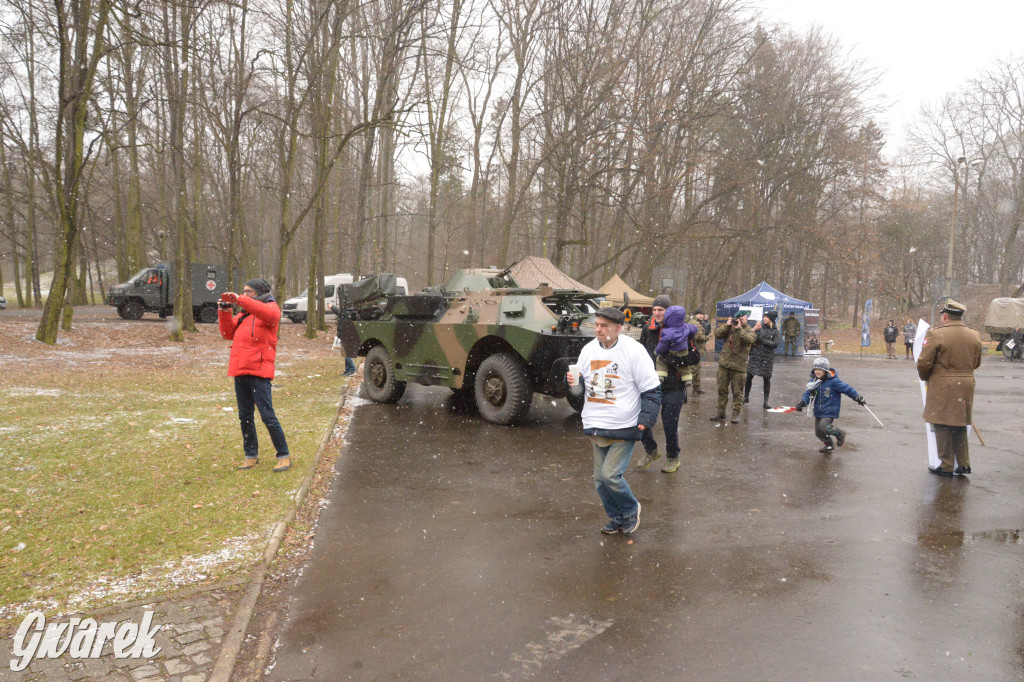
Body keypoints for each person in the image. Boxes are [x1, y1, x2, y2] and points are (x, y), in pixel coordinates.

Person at [568, 307, 661, 535]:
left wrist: (646, 418)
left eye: (604, 326)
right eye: (596, 325)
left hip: (624, 425)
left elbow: (652, 390)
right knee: (600, 480)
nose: (598, 329)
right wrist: (571, 381)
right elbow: (577, 391)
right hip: (595, 423)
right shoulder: (588, 350)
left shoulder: (634, 351)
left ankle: (630, 509)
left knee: (610, 475)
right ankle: (617, 517)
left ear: (619, 328)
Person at [219, 279, 291, 473]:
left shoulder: (271, 309)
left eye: (249, 291)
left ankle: (283, 455)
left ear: (260, 292)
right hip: (240, 370)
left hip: (259, 372)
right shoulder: (244, 314)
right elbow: (227, 333)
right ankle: (251, 455)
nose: (246, 294)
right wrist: (225, 311)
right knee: (245, 416)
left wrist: (240, 299)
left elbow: (265, 312)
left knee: (267, 416)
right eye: (244, 291)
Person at [917, 300, 983, 476]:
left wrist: (926, 377)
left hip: (943, 383)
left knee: (942, 423)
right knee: (960, 422)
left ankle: (946, 464)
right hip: (966, 383)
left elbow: (924, 363)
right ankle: (964, 463)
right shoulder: (974, 335)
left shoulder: (936, 335)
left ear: (945, 316)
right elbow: (977, 362)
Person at [637, 300, 696, 473]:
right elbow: (640, 354)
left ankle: (672, 457)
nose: (656, 313)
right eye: (654, 309)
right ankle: (651, 451)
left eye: (660, 310)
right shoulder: (648, 329)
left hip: (674, 386)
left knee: (670, 424)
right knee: (641, 421)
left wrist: (673, 360)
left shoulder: (683, 329)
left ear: (668, 311)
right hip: (649, 384)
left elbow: (695, 357)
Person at [796, 357, 866, 454]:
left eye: (820, 369)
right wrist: (802, 403)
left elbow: (848, 389)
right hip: (818, 410)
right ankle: (828, 444)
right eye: (816, 369)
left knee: (824, 427)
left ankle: (840, 433)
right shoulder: (813, 382)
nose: (817, 371)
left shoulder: (834, 382)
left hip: (830, 410)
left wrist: (857, 398)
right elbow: (807, 394)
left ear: (825, 370)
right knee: (818, 432)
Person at [711, 309, 756, 423]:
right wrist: (727, 325)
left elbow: (749, 340)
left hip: (739, 367)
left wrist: (739, 328)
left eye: (742, 319)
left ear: (747, 319)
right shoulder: (729, 328)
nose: (739, 321)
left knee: (737, 392)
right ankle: (721, 412)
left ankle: (736, 414)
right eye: (738, 319)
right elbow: (717, 334)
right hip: (724, 364)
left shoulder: (750, 330)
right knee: (722, 389)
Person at [744, 310, 780, 409]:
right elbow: (752, 339)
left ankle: (766, 402)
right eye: (764, 317)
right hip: (756, 355)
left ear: (771, 319)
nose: (764, 318)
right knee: (749, 376)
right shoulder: (759, 328)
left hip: (767, 358)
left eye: (766, 317)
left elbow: (775, 344)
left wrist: (762, 341)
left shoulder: (775, 331)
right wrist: (755, 333)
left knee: (766, 379)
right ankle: (746, 397)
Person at [687, 309, 711, 394]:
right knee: (694, 369)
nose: (701, 316)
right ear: (695, 315)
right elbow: (698, 337)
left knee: (697, 369)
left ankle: (696, 388)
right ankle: (684, 388)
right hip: (694, 349)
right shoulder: (695, 323)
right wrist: (707, 337)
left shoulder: (697, 323)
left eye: (702, 314)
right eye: (699, 314)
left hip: (697, 349)